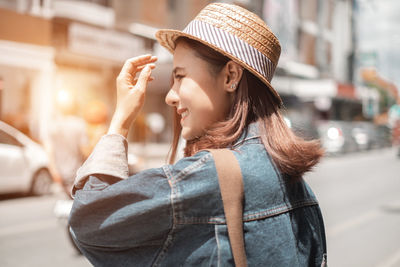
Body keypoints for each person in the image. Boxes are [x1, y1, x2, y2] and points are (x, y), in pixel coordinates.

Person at [69, 3, 327, 266]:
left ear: (230, 76)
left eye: (180, 77)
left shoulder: (208, 178)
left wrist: (120, 123)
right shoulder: (299, 187)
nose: (170, 96)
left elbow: (89, 223)